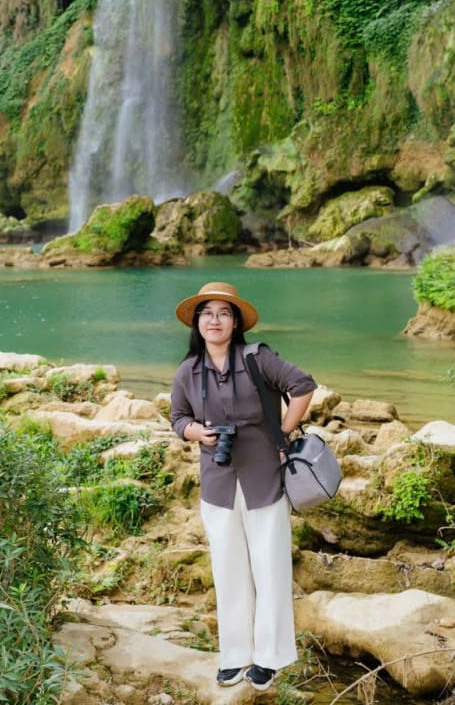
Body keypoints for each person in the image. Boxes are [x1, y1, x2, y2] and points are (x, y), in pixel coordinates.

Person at [170, 281, 317, 692]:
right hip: (216, 482)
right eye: (206, 313)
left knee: (269, 566)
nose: (214, 320)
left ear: (235, 323)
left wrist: (282, 433)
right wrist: (196, 432)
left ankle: (268, 658)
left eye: (223, 313)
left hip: (263, 476)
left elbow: (303, 386)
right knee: (228, 569)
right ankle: (235, 656)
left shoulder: (258, 358)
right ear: (197, 323)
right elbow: (177, 418)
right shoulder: (187, 370)